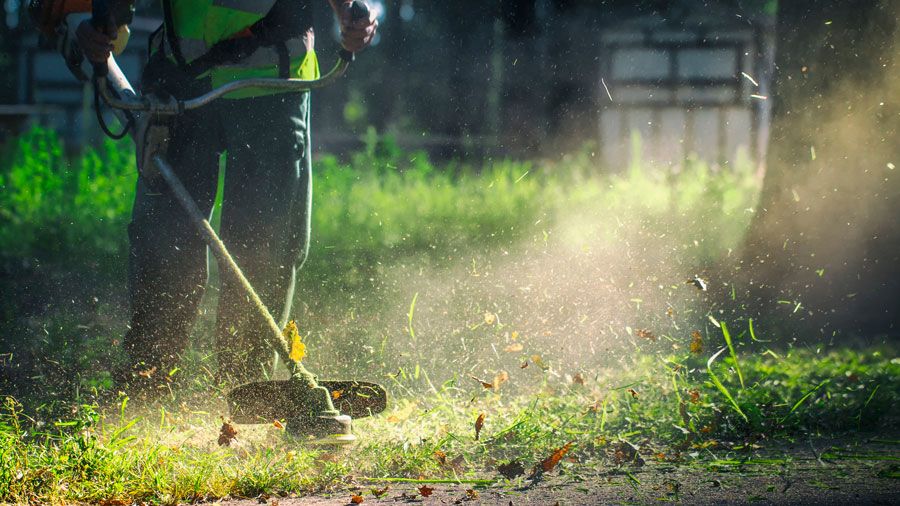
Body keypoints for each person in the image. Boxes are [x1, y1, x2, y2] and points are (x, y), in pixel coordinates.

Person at [76, 0, 377, 392]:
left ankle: (247, 387)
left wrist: (351, 11)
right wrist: (100, 23)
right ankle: (146, 380)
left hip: (273, 80)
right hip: (182, 80)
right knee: (166, 240)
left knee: (264, 242)